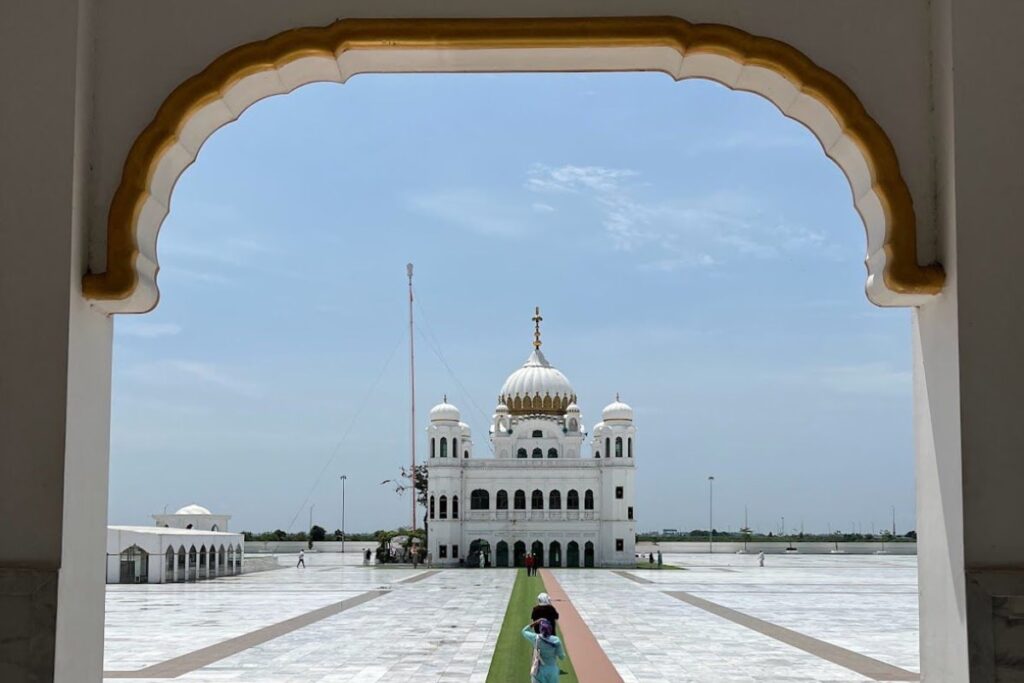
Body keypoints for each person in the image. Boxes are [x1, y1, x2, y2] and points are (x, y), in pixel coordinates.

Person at [521, 618, 565, 683]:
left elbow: (524, 631)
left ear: (540, 629)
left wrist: (536, 622)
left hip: (538, 671)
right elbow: (562, 657)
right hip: (552, 671)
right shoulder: (556, 640)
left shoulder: (535, 638)